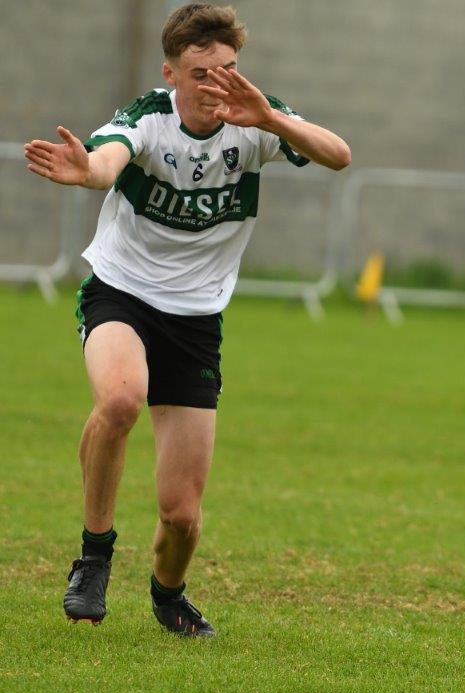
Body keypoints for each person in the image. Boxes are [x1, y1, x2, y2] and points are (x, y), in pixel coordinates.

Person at [23, 3, 351, 637]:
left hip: (197, 318)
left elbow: (338, 155)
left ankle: (169, 596)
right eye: (201, 73)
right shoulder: (149, 117)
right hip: (121, 293)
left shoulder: (254, 116)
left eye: (227, 70)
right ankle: (94, 555)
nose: (216, 86)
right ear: (170, 74)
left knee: (181, 517)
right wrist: (86, 172)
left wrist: (271, 117)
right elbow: (109, 157)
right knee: (120, 402)